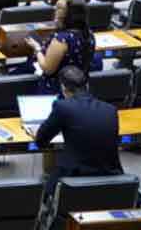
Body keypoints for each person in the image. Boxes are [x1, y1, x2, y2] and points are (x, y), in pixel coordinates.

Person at [35, 65, 122, 194]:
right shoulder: (111, 109)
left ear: (63, 88)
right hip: (110, 175)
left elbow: (40, 141)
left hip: (74, 178)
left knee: (46, 187)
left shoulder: (62, 106)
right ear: (86, 86)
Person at [26, 0, 95, 94]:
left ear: (71, 15)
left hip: (58, 90)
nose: (55, 10)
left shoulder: (61, 39)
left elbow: (47, 68)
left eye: (59, 8)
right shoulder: (89, 34)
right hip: (80, 88)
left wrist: (37, 49)